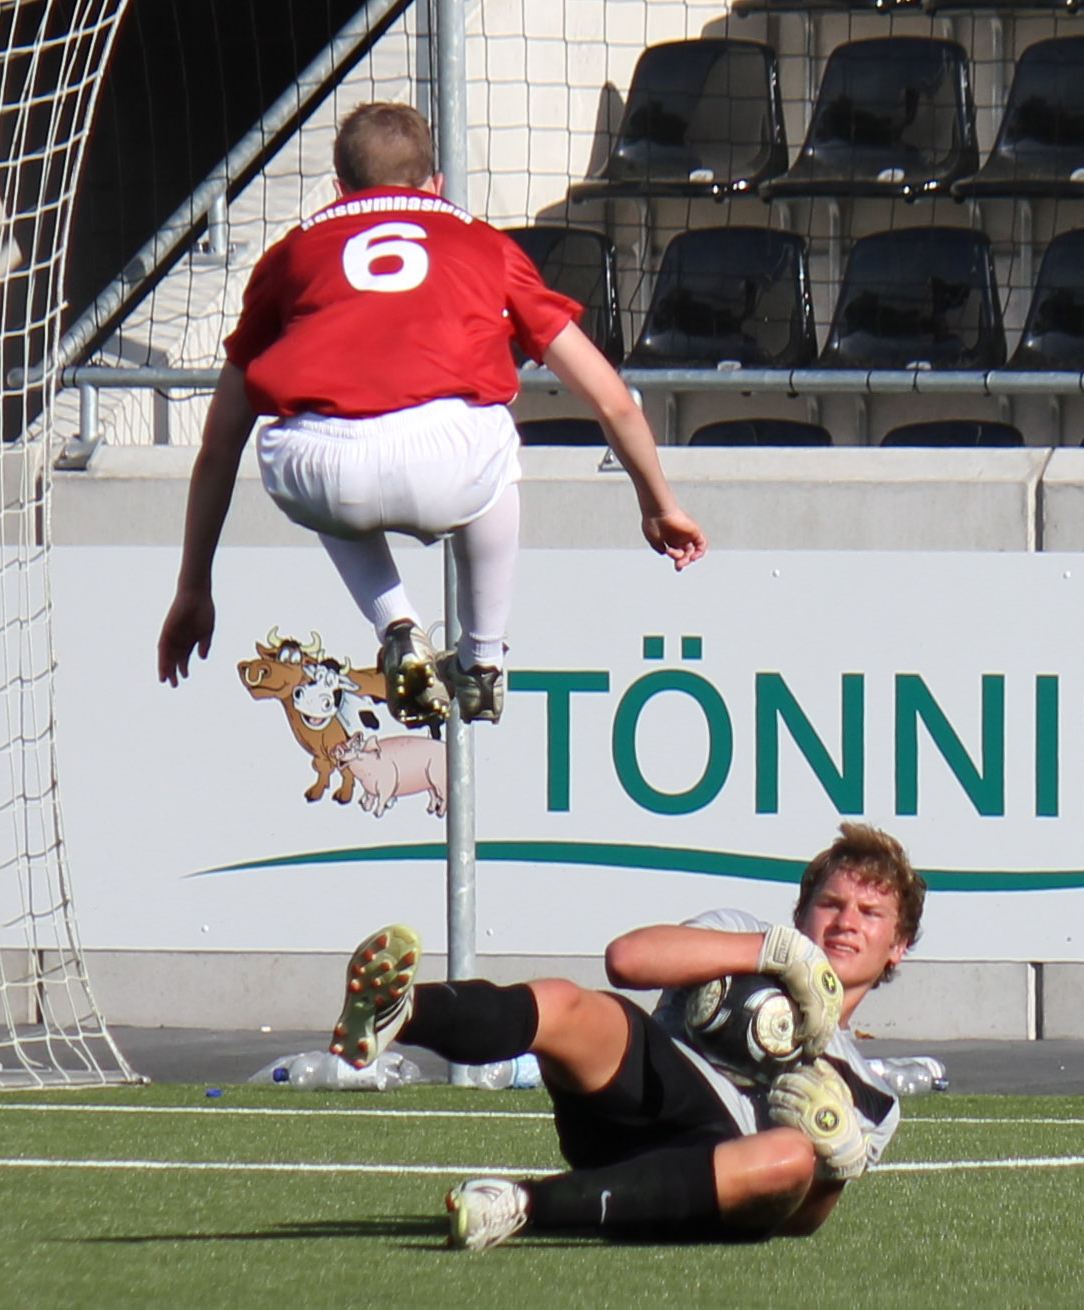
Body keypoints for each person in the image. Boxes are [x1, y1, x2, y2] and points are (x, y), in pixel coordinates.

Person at [155, 102, 706, 726]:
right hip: (450, 461)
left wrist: (194, 585)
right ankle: (483, 661)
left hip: (324, 469)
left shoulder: (291, 255)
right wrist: (657, 503)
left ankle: (397, 626)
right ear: (436, 185)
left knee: (301, 425)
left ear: (339, 190)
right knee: (496, 430)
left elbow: (219, 445)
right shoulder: (483, 244)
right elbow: (610, 399)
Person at [329, 822, 927, 1250]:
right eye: (831, 903)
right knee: (569, 1003)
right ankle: (401, 1013)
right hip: (644, 1093)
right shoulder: (748, 938)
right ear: (801, 915)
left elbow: (796, 1222)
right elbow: (627, 959)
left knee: (790, 1155)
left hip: (705, 1176)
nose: (845, 922)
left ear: (897, 947)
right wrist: (772, 952)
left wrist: (835, 1169)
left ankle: (522, 1206)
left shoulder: (873, 1097)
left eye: (870, 914)